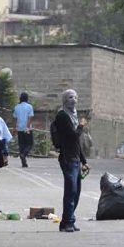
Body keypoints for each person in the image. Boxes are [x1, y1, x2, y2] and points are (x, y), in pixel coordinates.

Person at [53, 89, 90, 233]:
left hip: (75, 158)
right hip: (67, 158)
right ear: (64, 100)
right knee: (71, 191)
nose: (73, 100)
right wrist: (81, 126)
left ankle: (68, 220)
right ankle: (67, 222)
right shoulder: (62, 116)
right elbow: (73, 136)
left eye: (75, 97)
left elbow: (77, 143)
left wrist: (84, 161)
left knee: (76, 191)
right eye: (69, 97)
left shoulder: (73, 116)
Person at [13, 92, 34, 168]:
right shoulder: (29, 107)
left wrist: (15, 128)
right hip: (27, 128)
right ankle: (23, 155)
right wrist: (27, 127)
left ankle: (23, 162)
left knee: (22, 145)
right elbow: (30, 117)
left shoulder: (16, 107)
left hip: (19, 128)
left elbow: (15, 119)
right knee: (30, 144)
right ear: (27, 98)